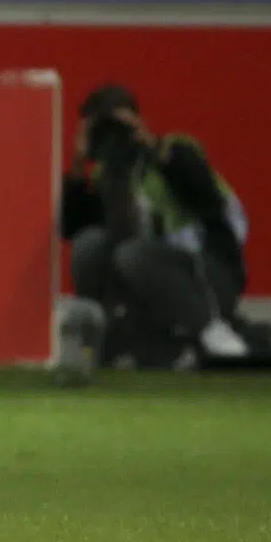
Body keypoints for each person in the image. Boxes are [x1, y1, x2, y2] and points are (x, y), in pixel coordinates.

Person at [56, 84, 252, 375]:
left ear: (139, 122)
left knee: (132, 254)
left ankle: (210, 329)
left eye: (120, 127)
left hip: (207, 276)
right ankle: (100, 338)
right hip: (149, 285)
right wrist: (78, 165)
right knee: (90, 243)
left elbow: (206, 197)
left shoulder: (176, 150)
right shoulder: (107, 176)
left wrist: (152, 147)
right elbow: (71, 230)